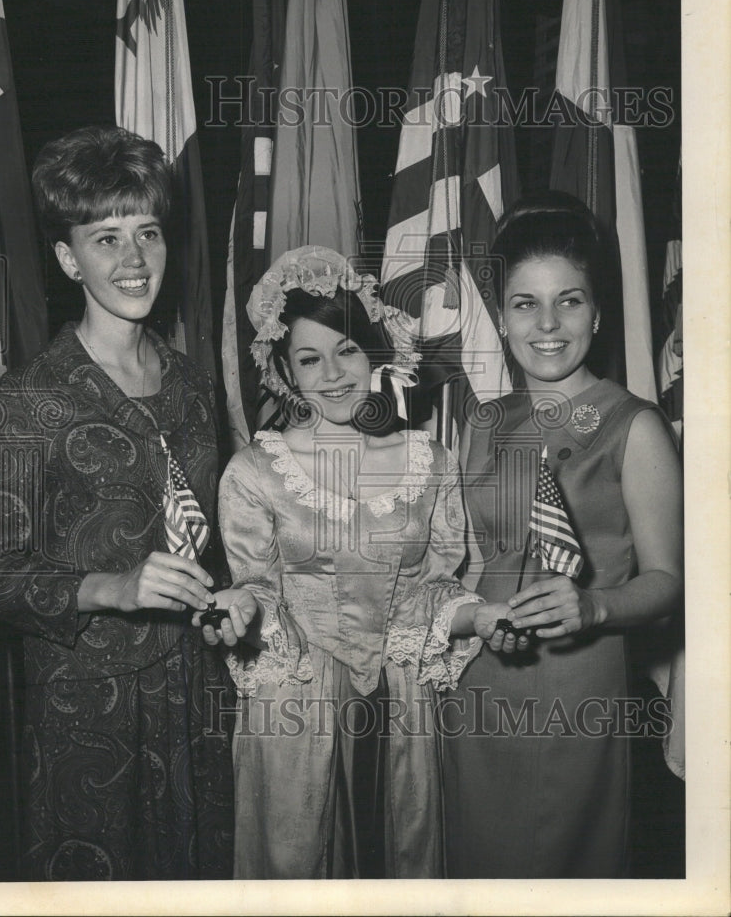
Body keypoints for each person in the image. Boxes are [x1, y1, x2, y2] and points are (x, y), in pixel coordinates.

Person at [0, 125, 234, 880]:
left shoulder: (193, 386)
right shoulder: (25, 401)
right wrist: (109, 588)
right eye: (106, 237)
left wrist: (236, 600)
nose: (134, 258)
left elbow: (210, 545)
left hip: (199, 692)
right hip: (87, 709)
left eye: (147, 231)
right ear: (66, 258)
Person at [199, 245, 516, 879]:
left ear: (375, 350)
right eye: (309, 359)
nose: (334, 374)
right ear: (284, 372)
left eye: (347, 349)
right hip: (296, 704)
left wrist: (479, 617)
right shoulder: (254, 472)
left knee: (400, 855)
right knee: (297, 858)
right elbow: (258, 588)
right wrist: (241, 605)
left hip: (401, 701)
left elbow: (430, 590)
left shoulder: (431, 461)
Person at [442, 191, 684, 878]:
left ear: (598, 311)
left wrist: (598, 606)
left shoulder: (634, 426)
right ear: (503, 316)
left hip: (581, 688)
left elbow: (669, 583)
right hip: (482, 685)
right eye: (525, 303)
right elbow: (472, 564)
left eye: (569, 301)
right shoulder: (482, 423)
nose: (547, 323)